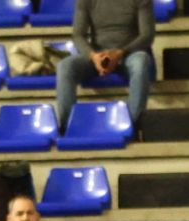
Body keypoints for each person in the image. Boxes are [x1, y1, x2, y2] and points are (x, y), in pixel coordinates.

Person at [57, 0, 156, 132]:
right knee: (65, 66)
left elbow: (147, 35)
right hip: (98, 56)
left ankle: (133, 125)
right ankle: (68, 127)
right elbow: (78, 35)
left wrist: (120, 53)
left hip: (129, 54)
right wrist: (94, 56)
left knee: (141, 62)